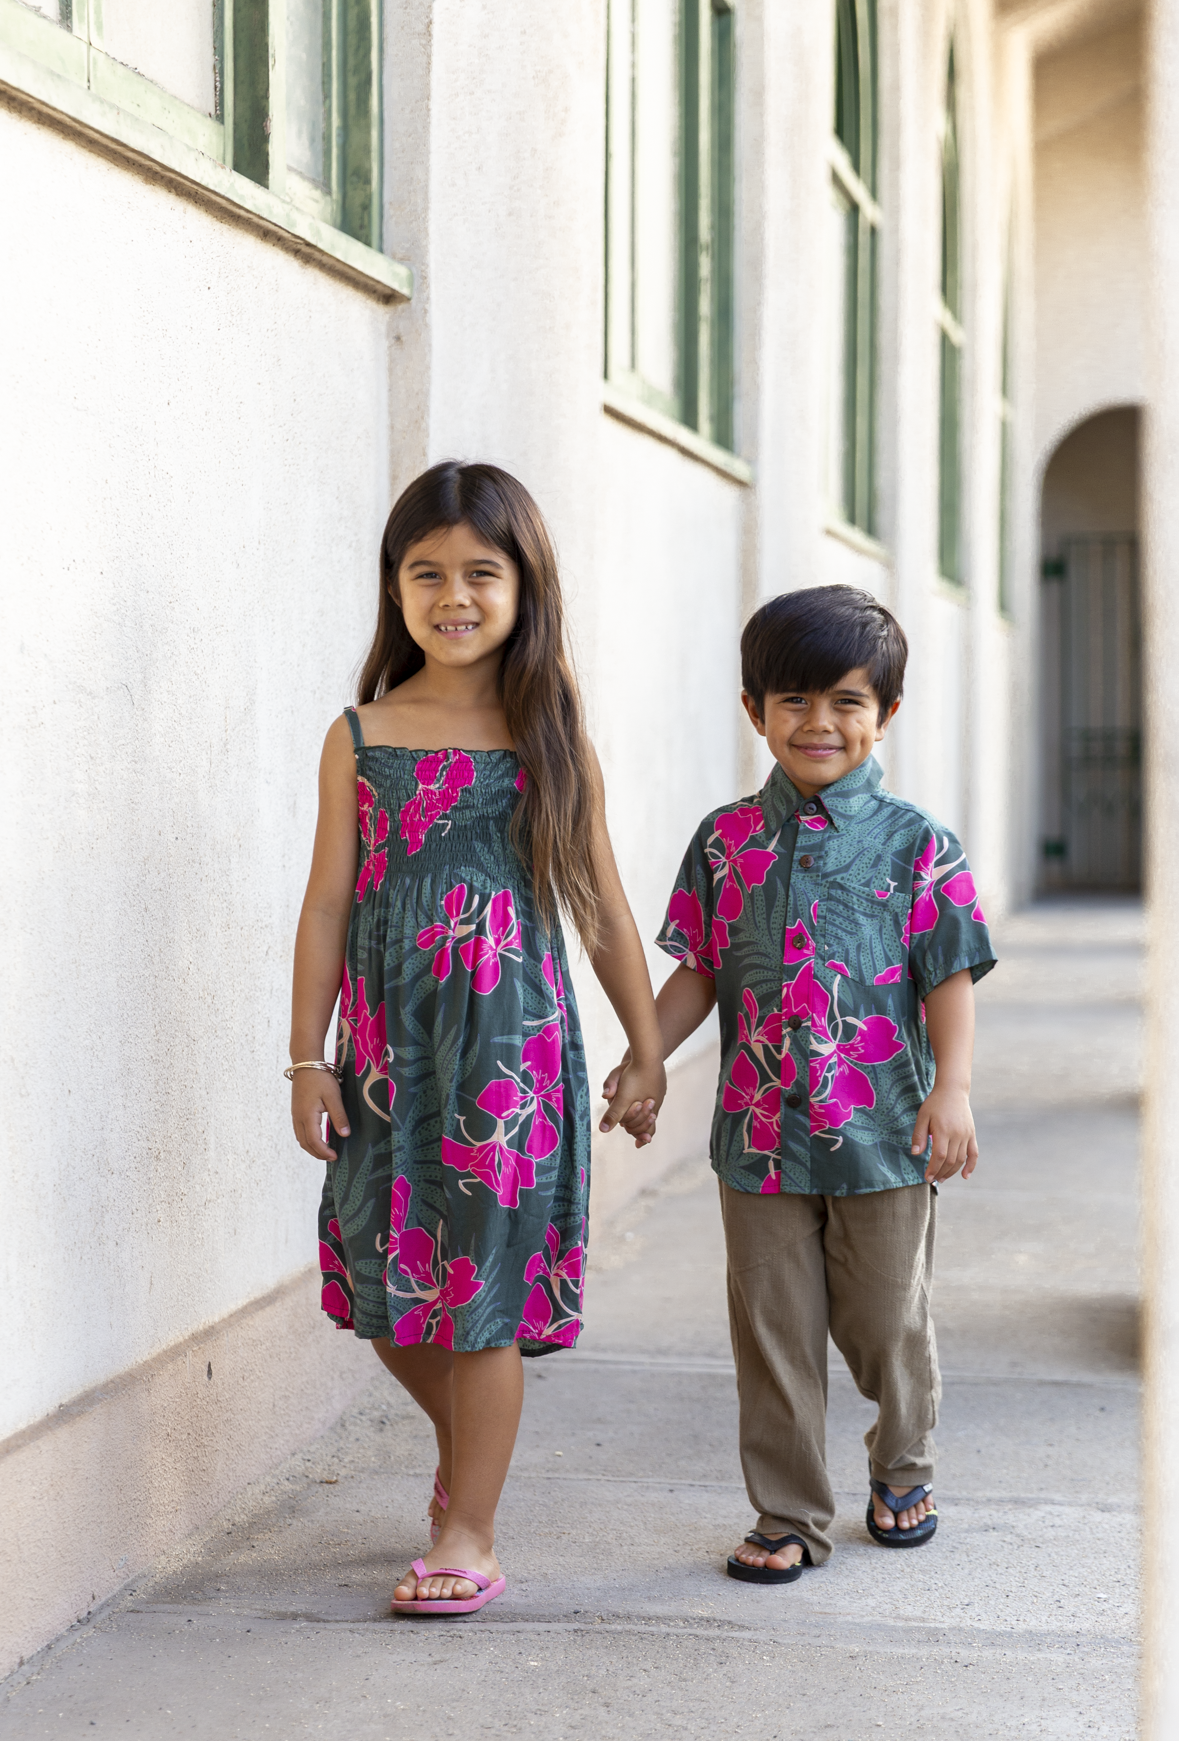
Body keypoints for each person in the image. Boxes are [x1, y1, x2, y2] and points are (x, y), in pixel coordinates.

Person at [288, 461, 666, 1615]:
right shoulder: (360, 735)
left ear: (524, 587)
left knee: (481, 1297)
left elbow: (598, 906)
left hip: (509, 1058)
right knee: (376, 1273)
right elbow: (324, 906)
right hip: (386, 1060)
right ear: (394, 590)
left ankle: (470, 1529)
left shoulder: (548, 738)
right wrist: (306, 1057)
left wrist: (647, 1051)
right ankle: (471, 1451)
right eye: (425, 573)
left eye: (479, 573)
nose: (452, 595)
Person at [606, 584, 995, 1582]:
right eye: (793, 701)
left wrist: (950, 1088)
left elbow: (945, 971)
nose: (818, 724)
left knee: (884, 1325)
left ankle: (901, 1463)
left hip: (882, 1138)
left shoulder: (920, 846)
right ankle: (786, 1516)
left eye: (846, 702)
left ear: (885, 714)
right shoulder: (723, 840)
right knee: (773, 1336)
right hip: (759, 1139)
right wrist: (648, 1055)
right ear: (754, 710)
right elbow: (698, 967)